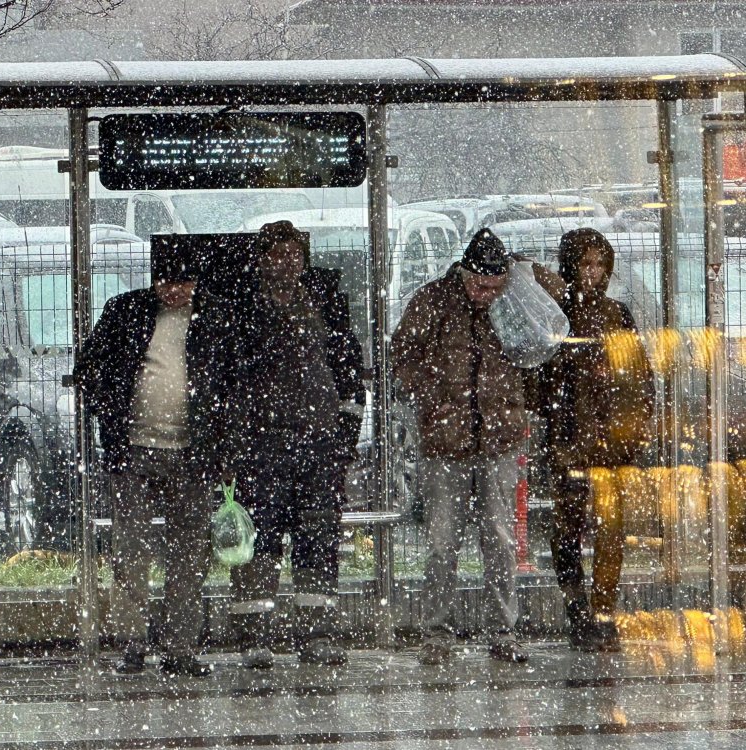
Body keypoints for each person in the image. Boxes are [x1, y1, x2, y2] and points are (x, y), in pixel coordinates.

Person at [77, 240, 237, 678]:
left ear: (196, 280)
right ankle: (133, 642)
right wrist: (113, 416)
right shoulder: (126, 312)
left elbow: (231, 387)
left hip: (193, 456)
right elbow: (88, 370)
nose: (174, 290)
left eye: (183, 281)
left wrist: (222, 447)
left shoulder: (216, 318)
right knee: (131, 551)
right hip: (134, 452)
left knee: (191, 554)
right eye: (166, 280)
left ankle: (180, 647)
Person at [391, 228, 548, 665]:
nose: (486, 296)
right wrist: (432, 397)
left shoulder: (512, 302)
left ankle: (503, 631)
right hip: (446, 442)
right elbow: (402, 353)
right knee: (443, 543)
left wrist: (522, 275)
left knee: (499, 540)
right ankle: (437, 633)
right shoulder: (433, 301)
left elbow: (549, 321)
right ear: (462, 274)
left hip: (498, 439)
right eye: (480, 286)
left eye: (495, 288)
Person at [228, 220, 364, 669]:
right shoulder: (242, 310)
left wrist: (343, 434)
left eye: (292, 255)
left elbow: (348, 368)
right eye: (276, 255)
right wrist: (237, 440)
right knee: (260, 539)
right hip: (261, 446)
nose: (285, 264)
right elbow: (231, 381)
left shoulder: (326, 302)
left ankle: (316, 632)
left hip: (318, 444)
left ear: (303, 259)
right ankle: (255, 636)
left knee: (318, 536)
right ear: (261, 259)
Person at [539, 228, 654, 652]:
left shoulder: (617, 314)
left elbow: (639, 375)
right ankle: (578, 612)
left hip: (610, 439)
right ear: (571, 266)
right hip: (569, 439)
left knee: (610, 526)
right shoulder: (557, 314)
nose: (595, 273)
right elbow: (544, 379)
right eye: (586, 264)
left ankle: (603, 611)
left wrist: (636, 423)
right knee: (568, 529)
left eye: (601, 264)